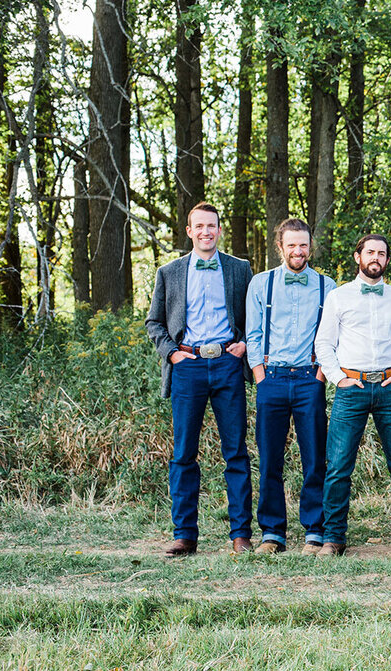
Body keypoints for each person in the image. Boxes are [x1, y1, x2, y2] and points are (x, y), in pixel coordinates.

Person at [145, 202, 253, 557]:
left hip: (227, 363)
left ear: (220, 230)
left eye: (212, 226)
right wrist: (172, 352)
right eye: (199, 227)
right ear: (189, 231)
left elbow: (254, 317)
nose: (206, 232)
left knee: (235, 451)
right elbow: (154, 322)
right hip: (188, 365)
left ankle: (240, 535)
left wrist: (245, 346)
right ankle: (184, 534)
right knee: (183, 454)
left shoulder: (240, 269)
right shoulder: (170, 272)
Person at [313, 233, 391, 558]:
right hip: (353, 387)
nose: (376, 257)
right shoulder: (339, 297)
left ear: (387, 260)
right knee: (338, 466)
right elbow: (324, 344)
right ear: (358, 256)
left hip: (390, 388)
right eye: (370, 252)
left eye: (382, 253)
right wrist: (337, 378)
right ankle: (333, 538)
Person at [244, 218, 334, 555]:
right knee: (269, 460)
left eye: (303, 245)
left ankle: (314, 530)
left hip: (310, 378)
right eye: (291, 245)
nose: (298, 251)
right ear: (279, 247)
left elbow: (331, 336)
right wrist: (259, 375)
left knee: (314, 459)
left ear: (311, 246)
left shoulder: (329, 286)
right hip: (272, 379)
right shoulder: (260, 284)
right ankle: (272, 533)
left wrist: (322, 375)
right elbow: (252, 334)